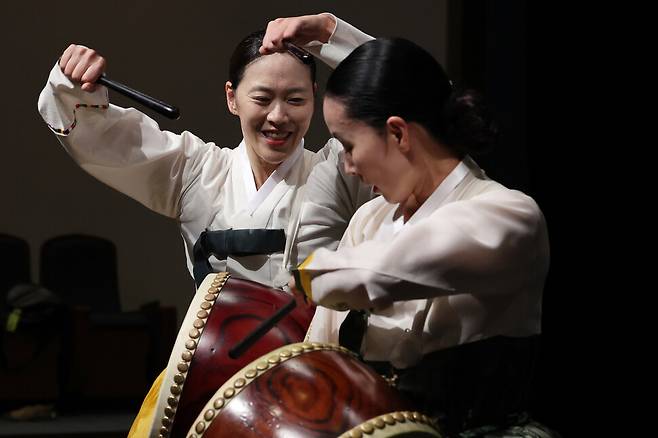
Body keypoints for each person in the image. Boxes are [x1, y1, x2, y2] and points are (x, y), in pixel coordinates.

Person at [261, 15, 558, 438]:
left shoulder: (508, 217)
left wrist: (306, 276)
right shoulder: (369, 219)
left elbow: (386, 269)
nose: (346, 165)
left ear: (398, 133)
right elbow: (319, 355)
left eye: (348, 146)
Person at [37, 13, 373, 291]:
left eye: (295, 100)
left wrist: (331, 32)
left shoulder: (338, 173)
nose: (278, 116)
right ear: (232, 98)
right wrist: (73, 81)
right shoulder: (196, 172)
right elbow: (106, 140)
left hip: (317, 365)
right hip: (212, 367)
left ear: (315, 99)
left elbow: (393, 96)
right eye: (261, 99)